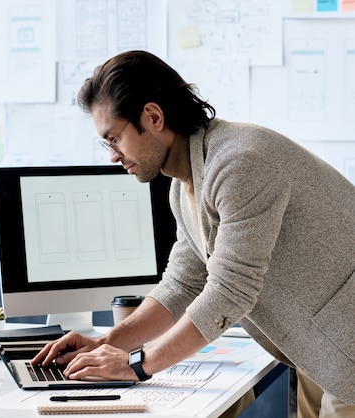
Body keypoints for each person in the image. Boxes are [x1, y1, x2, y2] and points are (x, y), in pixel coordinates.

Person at [32, 50, 355, 417]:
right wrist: (106, 343)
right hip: (319, 349)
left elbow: (229, 292)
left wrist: (136, 365)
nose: (113, 155)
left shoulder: (239, 163)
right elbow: (182, 284)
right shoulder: (184, 185)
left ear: (153, 117)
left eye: (114, 138)